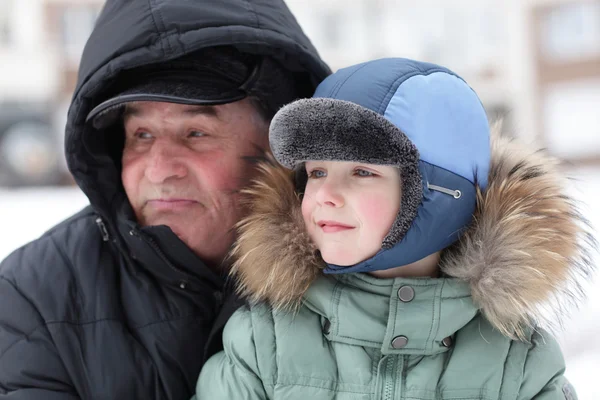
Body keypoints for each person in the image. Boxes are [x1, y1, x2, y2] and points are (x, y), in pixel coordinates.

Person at [196, 58, 594, 399]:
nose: (325, 195)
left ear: (439, 194)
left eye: (362, 171)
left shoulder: (517, 362)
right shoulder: (264, 342)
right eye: (316, 171)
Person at [0, 0, 330, 398]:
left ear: (281, 146)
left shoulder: (368, 273)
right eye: (141, 135)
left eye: (195, 133)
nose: (158, 169)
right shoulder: (37, 297)